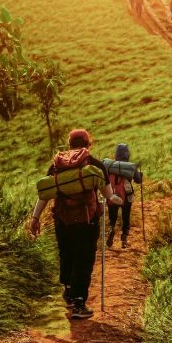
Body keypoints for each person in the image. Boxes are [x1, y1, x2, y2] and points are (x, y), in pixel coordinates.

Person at [29, 127, 121, 319]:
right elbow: (108, 195)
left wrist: (35, 218)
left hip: (62, 220)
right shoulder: (95, 165)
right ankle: (79, 303)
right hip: (87, 221)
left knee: (66, 253)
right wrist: (115, 199)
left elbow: (45, 194)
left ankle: (69, 289)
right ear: (89, 144)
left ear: (69, 144)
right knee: (84, 258)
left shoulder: (56, 167)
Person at [106, 143, 143, 249]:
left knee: (112, 217)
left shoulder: (110, 166)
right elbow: (138, 180)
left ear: (117, 154)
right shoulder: (130, 167)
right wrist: (140, 175)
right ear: (127, 154)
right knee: (126, 218)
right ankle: (124, 239)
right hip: (126, 197)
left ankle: (111, 230)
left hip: (112, 195)